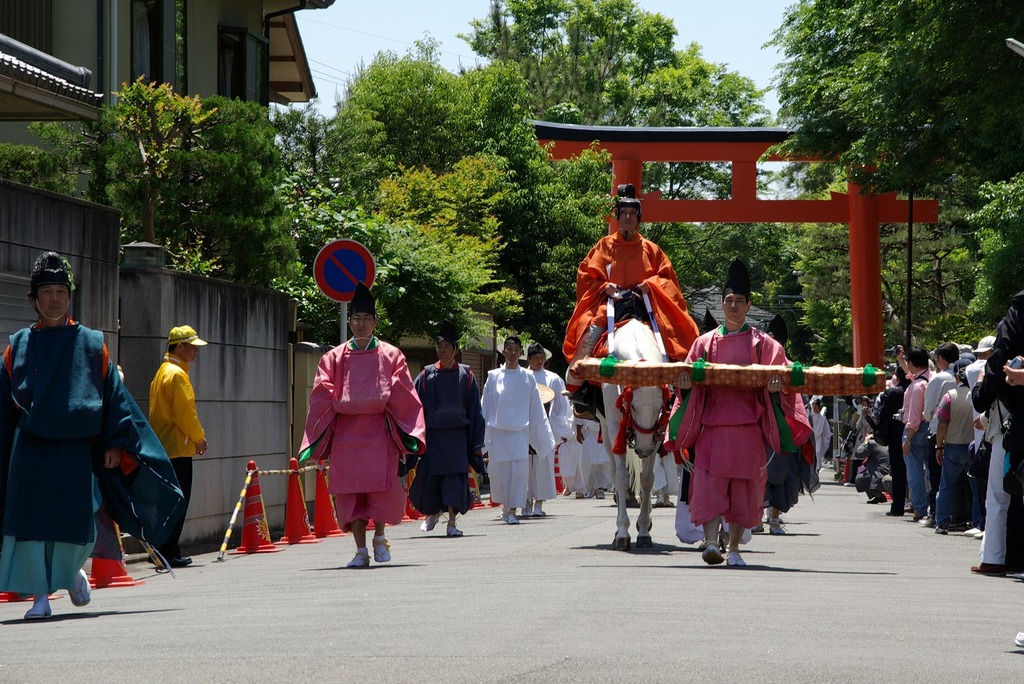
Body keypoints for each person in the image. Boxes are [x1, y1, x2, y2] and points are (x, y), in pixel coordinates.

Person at [1, 251, 174, 619]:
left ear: (69, 296)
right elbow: (4, 406)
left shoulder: (93, 344)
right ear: (33, 299)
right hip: (29, 448)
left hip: (76, 449)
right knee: (30, 524)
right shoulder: (17, 345)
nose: (54, 298)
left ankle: (73, 572)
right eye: (46, 292)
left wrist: (115, 442)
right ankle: (40, 597)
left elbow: (114, 395)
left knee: (74, 520)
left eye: (60, 291)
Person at [666, 259, 811, 567]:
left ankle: (733, 548)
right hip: (712, 427)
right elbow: (687, 383)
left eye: (739, 301)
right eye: (728, 300)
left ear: (748, 305)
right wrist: (685, 385)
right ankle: (709, 541)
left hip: (748, 429)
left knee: (745, 490)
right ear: (721, 304)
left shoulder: (765, 345)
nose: (733, 305)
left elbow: (784, 379)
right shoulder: (703, 344)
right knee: (708, 485)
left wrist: (776, 387)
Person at [298, 282, 426, 568]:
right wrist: (348, 401)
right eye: (355, 318)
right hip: (346, 435)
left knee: (379, 490)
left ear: (375, 321)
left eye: (366, 318)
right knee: (349, 493)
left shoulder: (391, 355)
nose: (360, 324)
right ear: (349, 321)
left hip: (378, 433)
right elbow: (322, 392)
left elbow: (402, 390)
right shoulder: (333, 357)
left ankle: (379, 536)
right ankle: (360, 550)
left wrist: (374, 401)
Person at [563, 184, 700, 397]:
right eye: (624, 213)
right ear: (617, 216)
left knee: (673, 339)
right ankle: (578, 390)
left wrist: (652, 285)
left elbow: (667, 279)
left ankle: (677, 387)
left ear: (639, 217)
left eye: (633, 213)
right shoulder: (603, 246)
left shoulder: (651, 249)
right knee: (585, 345)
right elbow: (585, 275)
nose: (628, 217)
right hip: (610, 307)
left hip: (644, 306)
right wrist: (602, 286)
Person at [409, 321, 485, 538]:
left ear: (456, 350)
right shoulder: (425, 375)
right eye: (439, 347)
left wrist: (476, 443)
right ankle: (432, 513)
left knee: (455, 480)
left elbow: (475, 411)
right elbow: (413, 406)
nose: (442, 351)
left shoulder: (467, 376)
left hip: (457, 438)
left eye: (447, 347)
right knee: (431, 478)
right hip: (434, 437)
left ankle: (451, 522)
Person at [148, 324, 209, 568]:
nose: (195, 352)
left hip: (164, 446)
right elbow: (185, 414)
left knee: (168, 501)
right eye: (192, 347)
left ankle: (164, 549)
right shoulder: (177, 374)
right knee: (178, 501)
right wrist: (199, 438)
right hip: (178, 447)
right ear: (180, 347)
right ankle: (169, 551)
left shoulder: (162, 372)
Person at [481, 336, 556, 525]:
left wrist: (542, 436)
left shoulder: (527, 377)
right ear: (503, 351)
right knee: (500, 474)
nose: (513, 353)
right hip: (498, 432)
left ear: (520, 353)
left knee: (518, 473)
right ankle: (506, 507)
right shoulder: (493, 376)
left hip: (520, 432)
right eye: (509, 349)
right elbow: (486, 407)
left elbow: (536, 408)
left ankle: (513, 509)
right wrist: (482, 435)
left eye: (516, 350)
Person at [524, 343, 571, 517]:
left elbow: (561, 406)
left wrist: (562, 429)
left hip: (545, 427)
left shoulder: (553, 378)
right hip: (525, 427)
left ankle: (539, 503)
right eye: (535, 358)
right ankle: (525, 502)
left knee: (543, 466)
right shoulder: (523, 375)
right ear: (528, 359)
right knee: (525, 467)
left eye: (542, 357)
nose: (539, 361)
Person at [919, 342, 960, 526]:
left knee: (936, 476)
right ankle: (958, 515)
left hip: (938, 430)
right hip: (961, 430)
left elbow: (928, 411)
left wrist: (928, 416)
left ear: (942, 358)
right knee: (958, 479)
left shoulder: (938, 379)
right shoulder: (960, 376)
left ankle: (936, 513)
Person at [933, 359, 975, 534]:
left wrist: (938, 447)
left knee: (946, 487)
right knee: (975, 488)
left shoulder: (949, 396)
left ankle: (942, 523)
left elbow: (941, 425)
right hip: (973, 447)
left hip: (953, 447)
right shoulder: (976, 396)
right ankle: (977, 522)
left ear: (956, 376)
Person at [900, 346, 932, 522]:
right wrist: (901, 360)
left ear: (912, 363)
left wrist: (908, 438)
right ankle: (932, 507)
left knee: (915, 473)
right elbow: (911, 373)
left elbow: (914, 415)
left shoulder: (917, 386)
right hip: (930, 429)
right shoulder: (930, 378)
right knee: (932, 471)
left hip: (915, 430)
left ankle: (920, 508)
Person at [876, 365, 910, 517]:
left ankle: (898, 507)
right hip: (915, 432)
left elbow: (883, 414)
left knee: (898, 471)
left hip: (896, 434)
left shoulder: (893, 392)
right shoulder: (918, 387)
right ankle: (917, 504)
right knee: (917, 471)